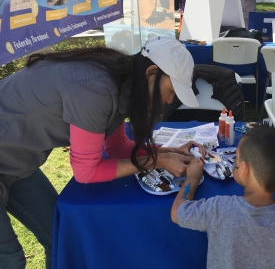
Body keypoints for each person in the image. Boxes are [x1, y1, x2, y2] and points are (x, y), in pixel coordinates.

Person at [0, 36, 205, 268]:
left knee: (58, 237)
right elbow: (86, 171)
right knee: (9, 259)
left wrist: (166, 152)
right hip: (8, 157)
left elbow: (116, 148)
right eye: (171, 90)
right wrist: (157, 160)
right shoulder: (97, 88)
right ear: (151, 73)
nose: (169, 100)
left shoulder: (119, 80)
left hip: (15, 164)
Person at [171, 124, 275, 269]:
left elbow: (177, 214)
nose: (234, 161)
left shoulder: (219, 208)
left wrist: (192, 178)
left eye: (236, 156)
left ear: (244, 168)